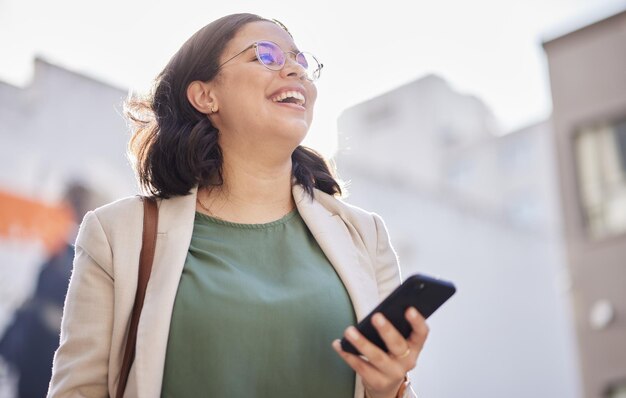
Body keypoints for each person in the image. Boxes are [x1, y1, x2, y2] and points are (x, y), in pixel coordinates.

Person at [48, 13, 429, 398]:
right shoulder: (117, 234)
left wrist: (389, 387)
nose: (295, 69)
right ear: (205, 96)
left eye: (300, 60)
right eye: (266, 55)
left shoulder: (365, 236)